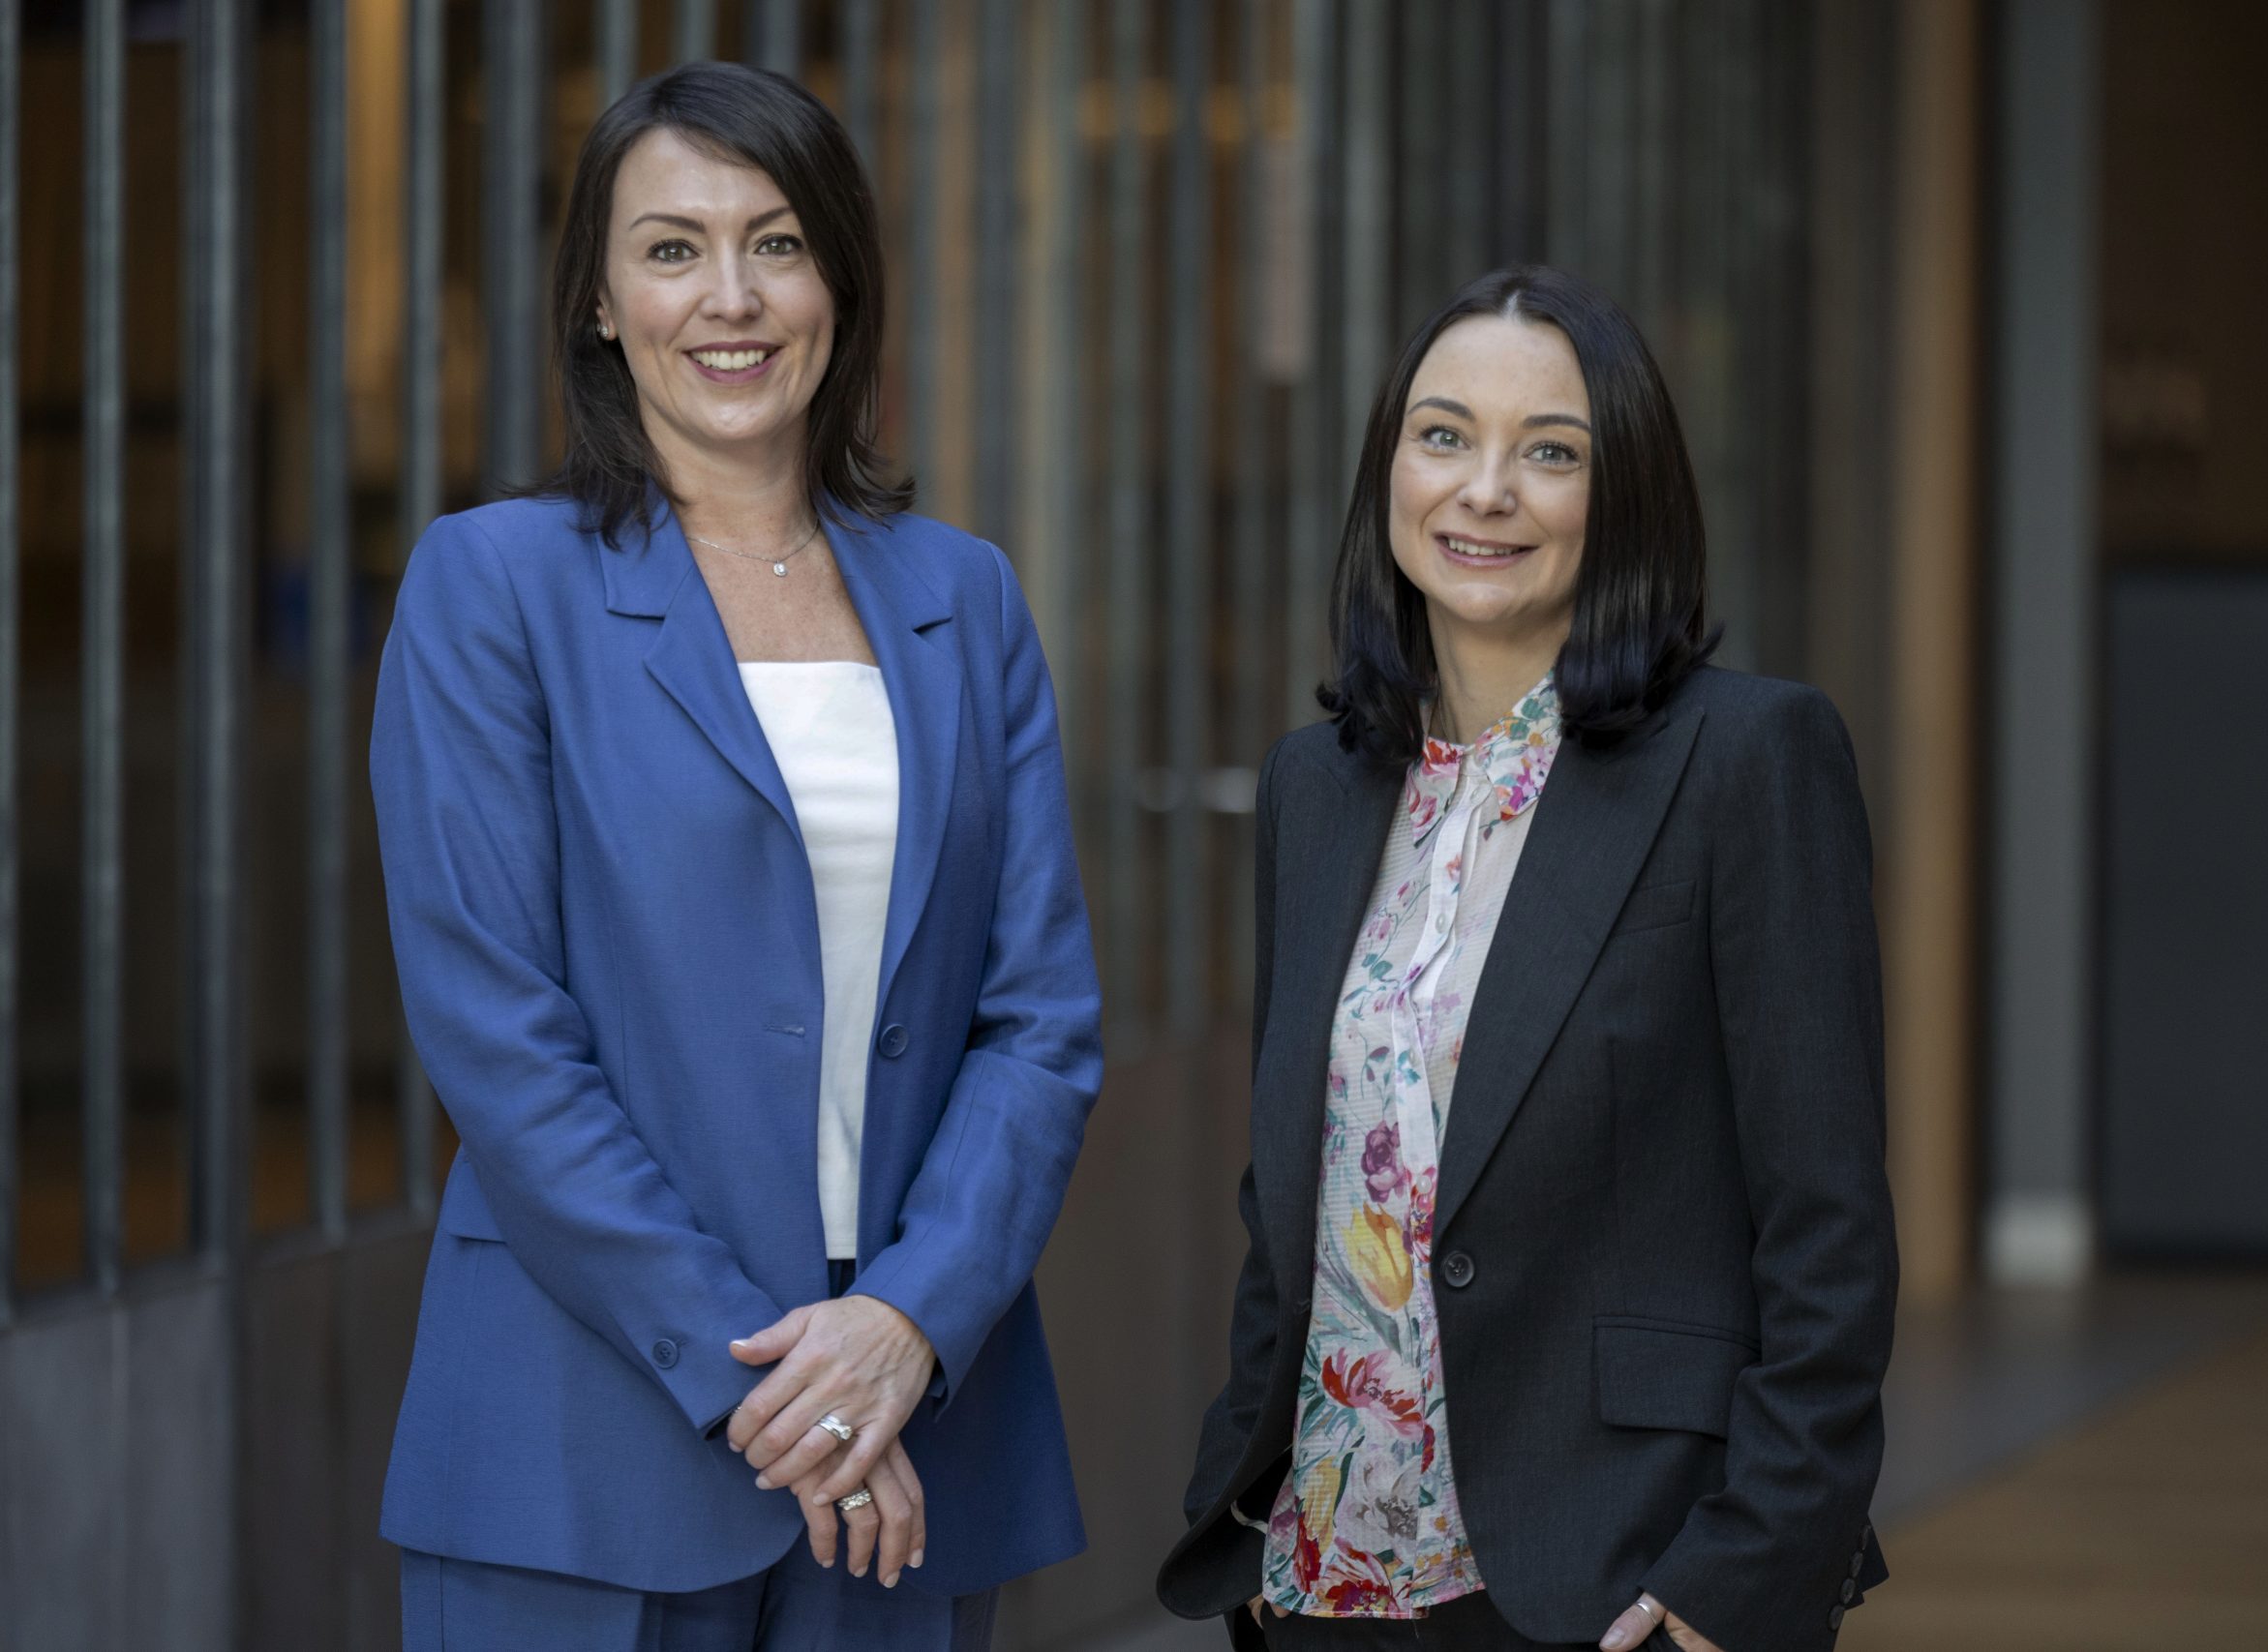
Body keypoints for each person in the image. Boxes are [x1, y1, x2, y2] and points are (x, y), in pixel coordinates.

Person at [370, 61, 1100, 1652]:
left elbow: (1038, 1023)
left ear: (839, 279)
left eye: (776, 242)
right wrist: (779, 1389)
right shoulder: (494, 589)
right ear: (600, 299)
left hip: (913, 1417)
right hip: (589, 1429)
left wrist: (906, 1323)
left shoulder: (962, 599)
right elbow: (501, 1043)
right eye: (672, 247)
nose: (731, 297)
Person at [1157, 265, 1896, 1652]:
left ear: (1624, 501)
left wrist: (1754, 1561)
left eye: (1550, 453)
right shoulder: (1317, 788)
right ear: (1389, 471)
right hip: (1332, 1562)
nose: (1484, 489)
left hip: (1618, 1569)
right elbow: (1295, 1186)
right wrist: (1242, 1495)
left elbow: (1827, 1219)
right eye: (1443, 437)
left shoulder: (1749, 759)